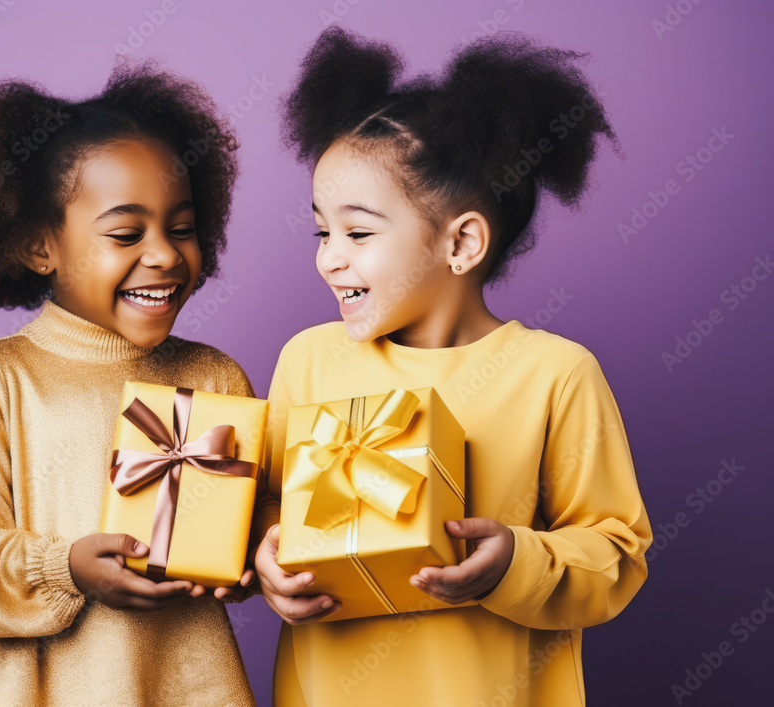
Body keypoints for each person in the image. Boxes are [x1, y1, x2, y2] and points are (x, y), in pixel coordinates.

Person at [251, 27, 653, 706]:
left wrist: (515, 563)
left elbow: (616, 553)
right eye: (322, 231)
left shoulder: (554, 373)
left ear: (461, 241)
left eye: (358, 232)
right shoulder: (308, 360)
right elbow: (268, 504)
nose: (329, 257)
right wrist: (267, 556)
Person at [0, 57, 256, 706]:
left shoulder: (213, 375)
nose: (167, 255)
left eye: (182, 228)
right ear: (40, 246)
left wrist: (257, 555)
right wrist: (64, 568)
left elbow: (254, 527)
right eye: (125, 232)